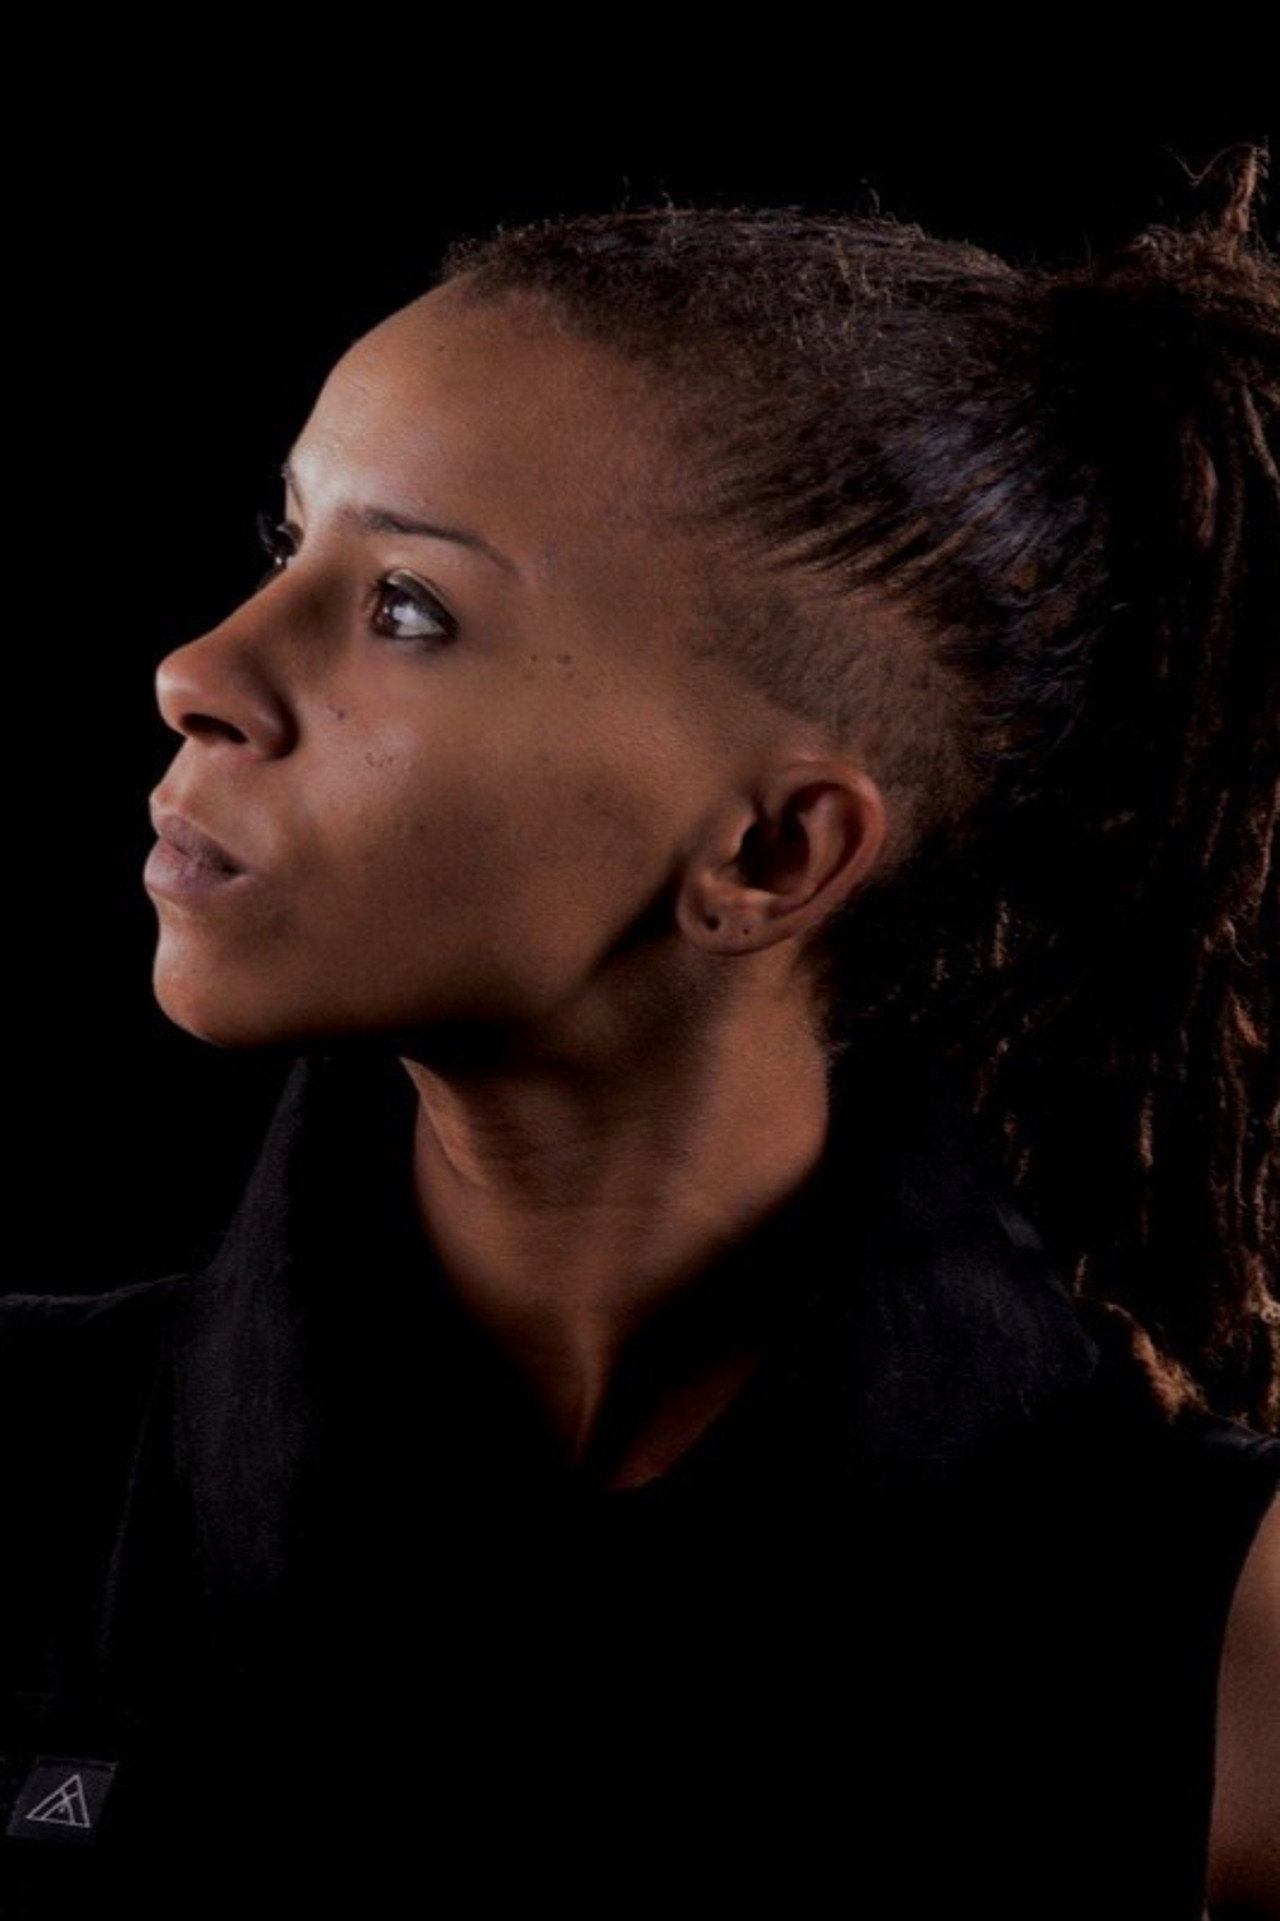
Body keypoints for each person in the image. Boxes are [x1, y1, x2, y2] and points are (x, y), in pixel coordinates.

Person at [2, 146, 1277, 1919]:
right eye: (294, 541)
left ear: (771, 854)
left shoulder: (1217, 1639)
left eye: (406, 608)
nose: (200, 670)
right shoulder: (23, 1462)